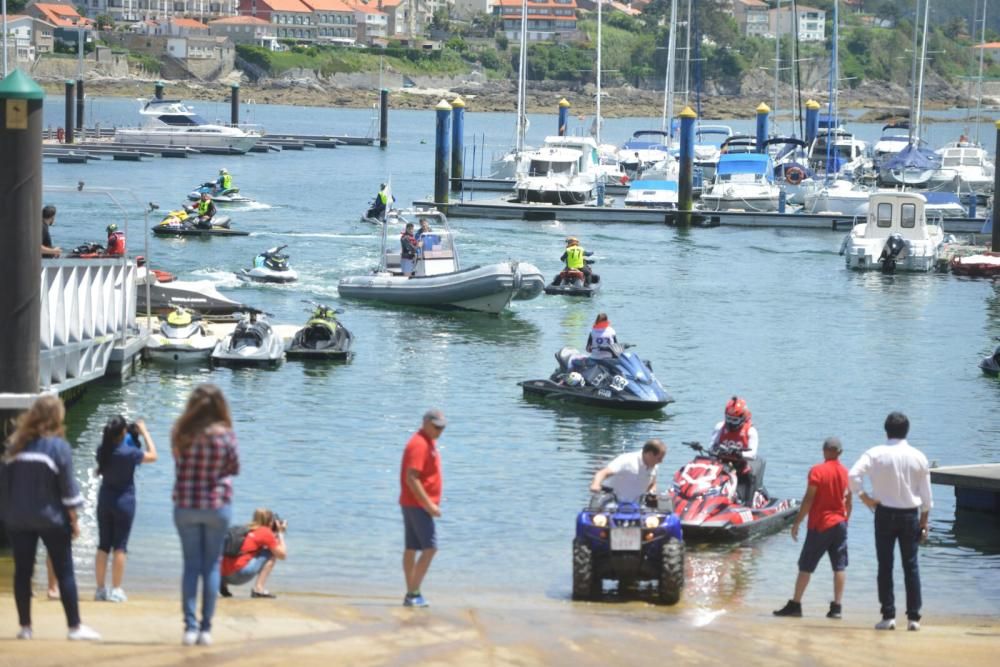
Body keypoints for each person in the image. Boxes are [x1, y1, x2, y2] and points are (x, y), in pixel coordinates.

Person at [0, 395, 101, 641]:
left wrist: (8, 514)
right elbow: (68, 490)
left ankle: (25, 627)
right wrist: (74, 520)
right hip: (51, 518)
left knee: (22, 572)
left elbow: (4, 487)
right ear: (57, 417)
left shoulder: (14, 447)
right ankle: (74, 627)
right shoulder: (58, 447)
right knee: (65, 570)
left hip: (19, 518)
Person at [848, 412, 932, 632]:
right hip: (909, 514)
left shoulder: (875, 453)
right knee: (911, 566)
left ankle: (888, 616)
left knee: (885, 565)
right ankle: (914, 618)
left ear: (886, 430)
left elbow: (852, 475)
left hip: (884, 512)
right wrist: (924, 522)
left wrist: (864, 497)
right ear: (907, 431)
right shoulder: (918, 456)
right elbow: (927, 497)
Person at [172, 384, 240, 646]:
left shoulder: (180, 432)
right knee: (211, 566)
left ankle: (189, 628)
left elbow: (179, 462)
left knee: (191, 566)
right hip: (217, 505)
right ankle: (206, 629)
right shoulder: (226, 435)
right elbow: (234, 467)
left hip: (186, 504)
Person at [774, 437, 852, 620]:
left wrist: (797, 522)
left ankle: (796, 604)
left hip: (820, 524)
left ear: (825, 451)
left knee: (806, 566)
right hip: (840, 524)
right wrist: (845, 521)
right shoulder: (845, 473)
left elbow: (809, 499)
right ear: (839, 452)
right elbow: (849, 502)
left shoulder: (818, 471)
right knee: (839, 566)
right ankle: (837, 608)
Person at [94, 416, 158, 603]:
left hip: (105, 499)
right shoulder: (129, 453)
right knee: (120, 546)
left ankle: (100, 590)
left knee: (103, 545)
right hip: (124, 501)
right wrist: (145, 432)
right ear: (123, 433)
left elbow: (108, 446)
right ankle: (116, 589)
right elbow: (153, 455)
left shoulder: (102, 451)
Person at [400, 409, 447, 608]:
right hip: (418, 505)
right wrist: (429, 505)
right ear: (425, 423)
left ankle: (411, 593)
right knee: (430, 548)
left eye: (442, 428)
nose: (439, 431)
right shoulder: (419, 444)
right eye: (436, 427)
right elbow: (412, 478)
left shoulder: (428, 442)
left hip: (412, 504)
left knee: (411, 548)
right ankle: (413, 593)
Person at [220, 508, 288, 599]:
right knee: (271, 553)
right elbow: (282, 555)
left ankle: (223, 585)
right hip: (238, 576)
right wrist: (280, 534)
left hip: (221, 575)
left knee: (244, 553)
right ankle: (258, 589)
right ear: (270, 521)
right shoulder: (265, 532)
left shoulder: (244, 529)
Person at [710, 396, 763, 505]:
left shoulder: (751, 431)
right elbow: (711, 447)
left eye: (734, 420)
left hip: (740, 469)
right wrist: (717, 449)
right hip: (720, 468)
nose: (731, 423)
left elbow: (752, 454)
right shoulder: (720, 427)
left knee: (750, 477)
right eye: (728, 418)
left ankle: (748, 506)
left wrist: (740, 453)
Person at [589, 439, 667, 504]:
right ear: (650, 454)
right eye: (659, 458)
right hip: (612, 504)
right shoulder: (626, 460)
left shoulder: (654, 466)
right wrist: (595, 484)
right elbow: (602, 473)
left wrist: (652, 492)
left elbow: (652, 482)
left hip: (636, 507)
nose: (661, 461)